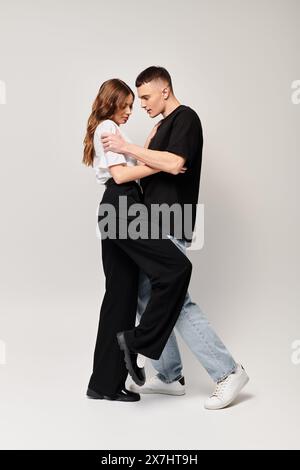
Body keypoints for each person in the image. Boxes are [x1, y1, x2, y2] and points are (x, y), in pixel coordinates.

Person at [100, 66, 249, 410]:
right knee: (147, 296)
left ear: (164, 90)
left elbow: (175, 162)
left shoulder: (186, 118)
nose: (142, 104)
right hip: (150, 221)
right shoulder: (160, 126)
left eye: (147, 97)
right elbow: (156, 168)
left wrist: (128, 147)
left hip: (170, 219)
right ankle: (169, 377)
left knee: (176, 301)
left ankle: (228, 372)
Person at [82, 78, 192, 402]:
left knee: (121, 296)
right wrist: (160, 166)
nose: (131, 111)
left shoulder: (112, 129)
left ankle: (103, 384)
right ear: (111, 101)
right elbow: (120, 176)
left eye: (134, 105)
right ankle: (139, 341)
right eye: (126, 105)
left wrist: (146, 146)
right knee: (176, 267)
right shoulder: (107, 127)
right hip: (122, 207)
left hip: (117, 208)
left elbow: (127, 164)